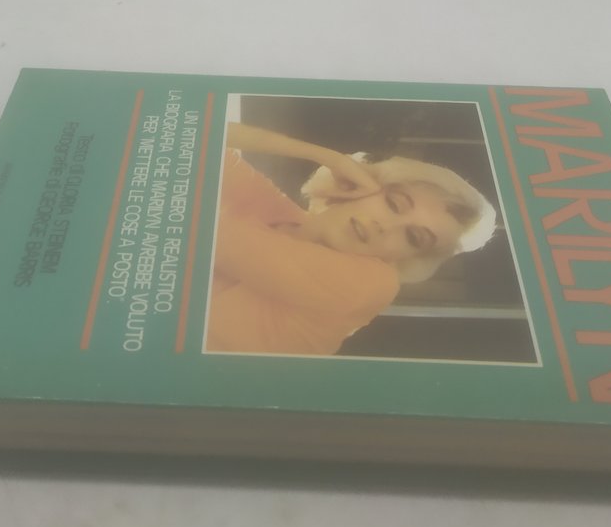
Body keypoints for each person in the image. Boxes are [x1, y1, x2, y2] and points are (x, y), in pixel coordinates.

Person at [205, 121, 496, 356]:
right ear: (362, 185)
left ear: (408, 259)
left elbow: (200, 234)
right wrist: (327, 156)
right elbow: (198, 133)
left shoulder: (371, 286)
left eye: (413, 237)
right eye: (394, 204)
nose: (385, 226)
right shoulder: (278, 212)